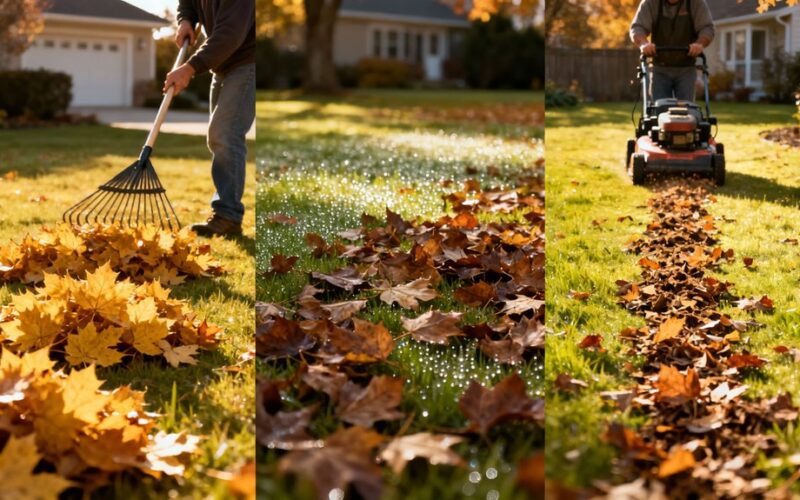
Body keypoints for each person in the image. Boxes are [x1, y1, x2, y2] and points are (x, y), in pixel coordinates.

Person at [164, 0, 256, 236]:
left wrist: (189, 68)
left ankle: (228, 215)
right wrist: (185, 19)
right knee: (218, 137)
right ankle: (226, 214)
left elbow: (230, 35)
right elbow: (188, 3)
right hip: (223, 65)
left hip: (246, 62)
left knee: (224, 134)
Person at [630, 0, 715, 102]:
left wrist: (699, 44)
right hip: (660, 68)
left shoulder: (696, 3)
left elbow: (707, 28)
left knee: (686, 109)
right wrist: (644, 44)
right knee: (660, 108)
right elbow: (638, 27)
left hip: (686, 68)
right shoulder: (650, 3)